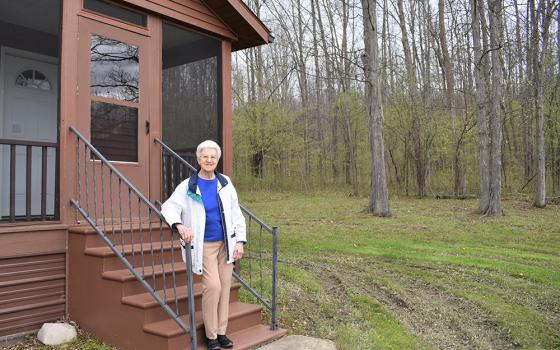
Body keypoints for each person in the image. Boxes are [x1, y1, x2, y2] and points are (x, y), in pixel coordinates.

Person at [161, 140, 246, 350]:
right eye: (205, 157)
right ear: (199, 159)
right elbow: (168, 208)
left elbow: (236, 214)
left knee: (225, 287)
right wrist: (179, 225)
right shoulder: (188, 186)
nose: (209, 160)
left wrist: (240, 241)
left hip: (226, 243)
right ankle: (211, 335)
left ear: (217, 160)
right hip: (204, 244)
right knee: (213, 287)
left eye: (213, 157)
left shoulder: (225, 183)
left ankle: (222, 332)